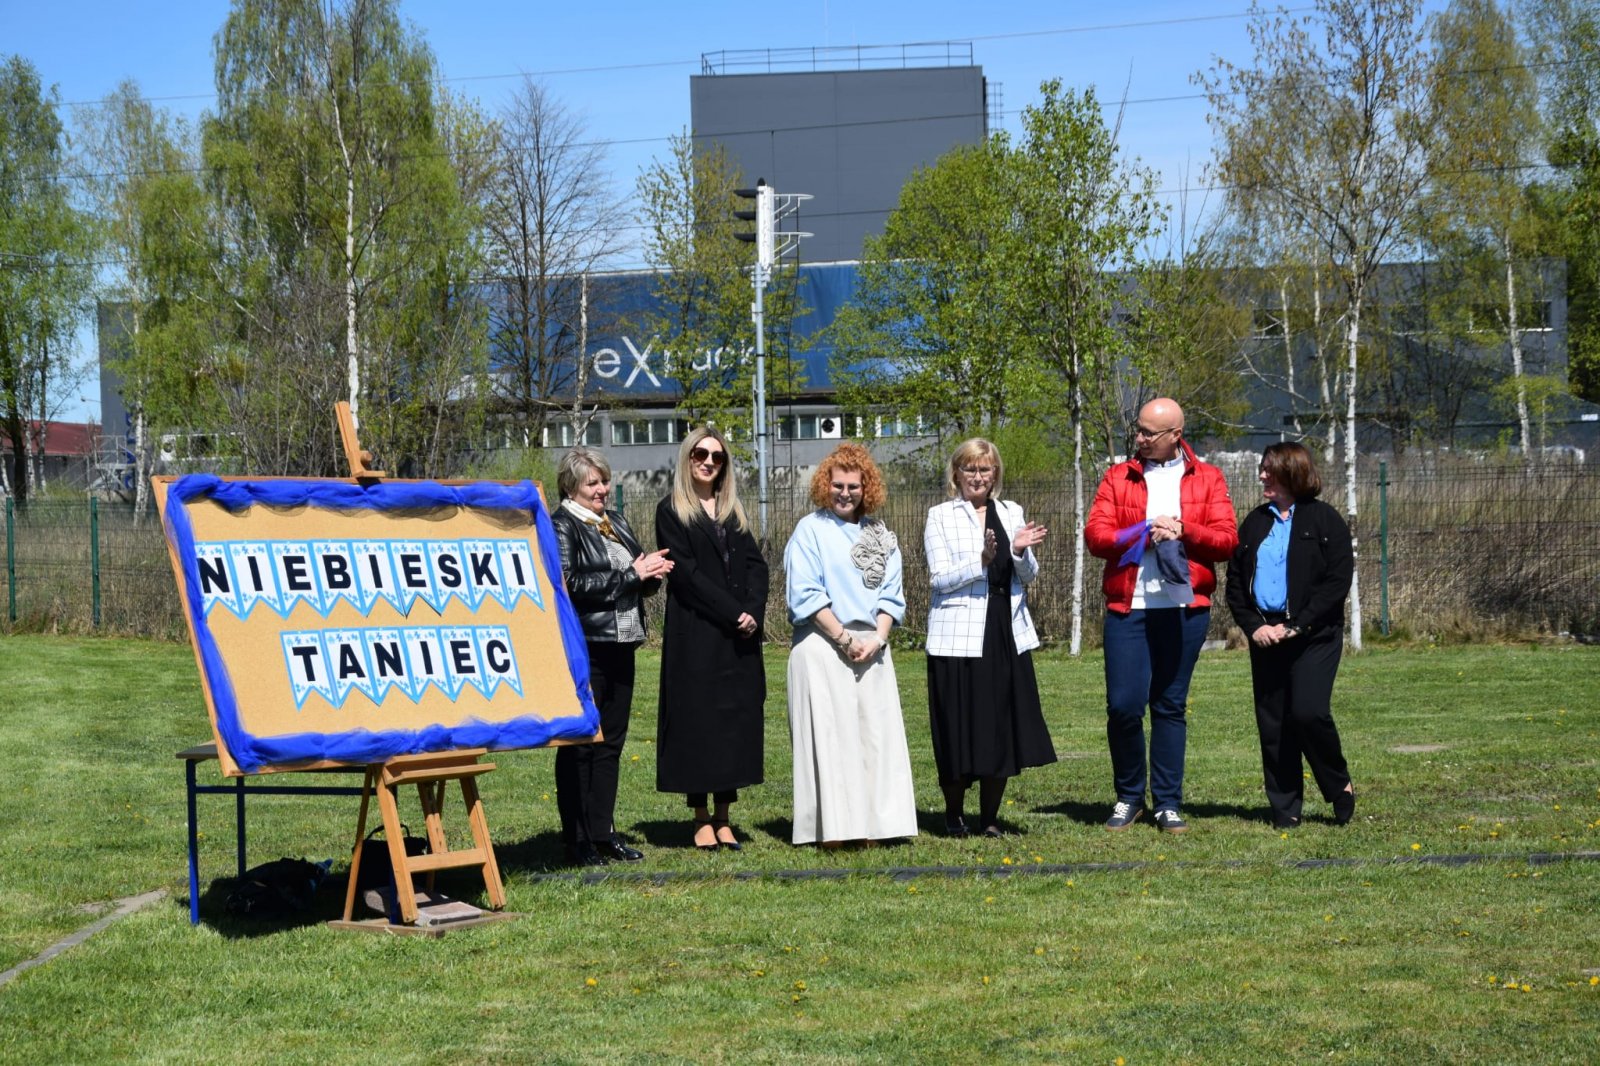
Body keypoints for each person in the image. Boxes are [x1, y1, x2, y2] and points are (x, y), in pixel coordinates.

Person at [1084, 397, 1238, 833]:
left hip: (1183, 609)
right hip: (1128, 606)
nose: (1140, 438)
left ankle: (1167, 802)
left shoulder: (1208, 478)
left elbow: (1227, 541)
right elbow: (1095, 536)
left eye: (1149, 433)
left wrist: (1184, 531)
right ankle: (1129, 797)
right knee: (1123, 706)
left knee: (1169, 705)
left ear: (1175, 435)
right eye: (1138, 429)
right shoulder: (1118, 476)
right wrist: (1140, 532)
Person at [784, 442, 917, 846]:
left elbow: (892, 594)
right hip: (823, 642)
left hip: (872, 646)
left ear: (866, 487)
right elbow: (805, 593)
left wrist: (878, 638)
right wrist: (843, 639)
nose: (845, 493)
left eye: (853, 486)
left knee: (874, 740)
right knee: (831, 740)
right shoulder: (810, 530)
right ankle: (834, 830)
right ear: (825, 485)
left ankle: (875, 827)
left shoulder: (881, 535)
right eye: (838, 485)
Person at [923, 438, 1057, 838]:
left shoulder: (1012, 512)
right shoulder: (940, 516)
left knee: (999, 722)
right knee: (958, 723)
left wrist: (1018, 552)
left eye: (985, 469)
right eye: (970, 468)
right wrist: (980, 561)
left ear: (995, 473)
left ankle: (990, 818)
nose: (978, 476)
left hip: (1003, 629)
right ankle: (954, 814)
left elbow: (1028, 575)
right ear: (956, 473)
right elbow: (939, 579)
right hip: (956, 634)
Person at [549, 447, 673, 866]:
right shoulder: (563, 524)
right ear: (571, 487)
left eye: (604, 480)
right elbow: (568, 583)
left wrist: (649, 574)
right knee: (582, 743)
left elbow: (634, 575)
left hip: (623, 643)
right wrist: (631, 575)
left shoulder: (614, 521)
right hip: (587, 646)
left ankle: (603, 834)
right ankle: (577, 839)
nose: (602, 489)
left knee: (611, 744)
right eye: (593, 483)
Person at [1225, 442, 1357, 829]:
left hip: (1314, 635)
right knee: (1274, 722)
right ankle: (1285, 806)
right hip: (1266, 634)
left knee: (1308, 711)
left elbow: (1337, 583)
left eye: (1269, 469)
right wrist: (1255, 627)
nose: (1262, 475)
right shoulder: (1255, 522)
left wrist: (1298, 624)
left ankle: (1338, 784)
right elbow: (1235, 584)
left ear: (1291, 472)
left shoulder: (1325, 520)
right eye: (1262, 468)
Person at [654, 427, 770, 852]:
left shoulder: (731, 509)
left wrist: (753, 611)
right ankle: (701, 817)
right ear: (687, 458)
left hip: (737, 637)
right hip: (697, 634)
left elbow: (757, 566)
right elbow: (686, 576)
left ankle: (724, 817)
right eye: (700, 454)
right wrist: (732, 611)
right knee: (697, 724)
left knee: (731, 725)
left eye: (717, 457)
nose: (708, 462)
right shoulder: (671, 510)